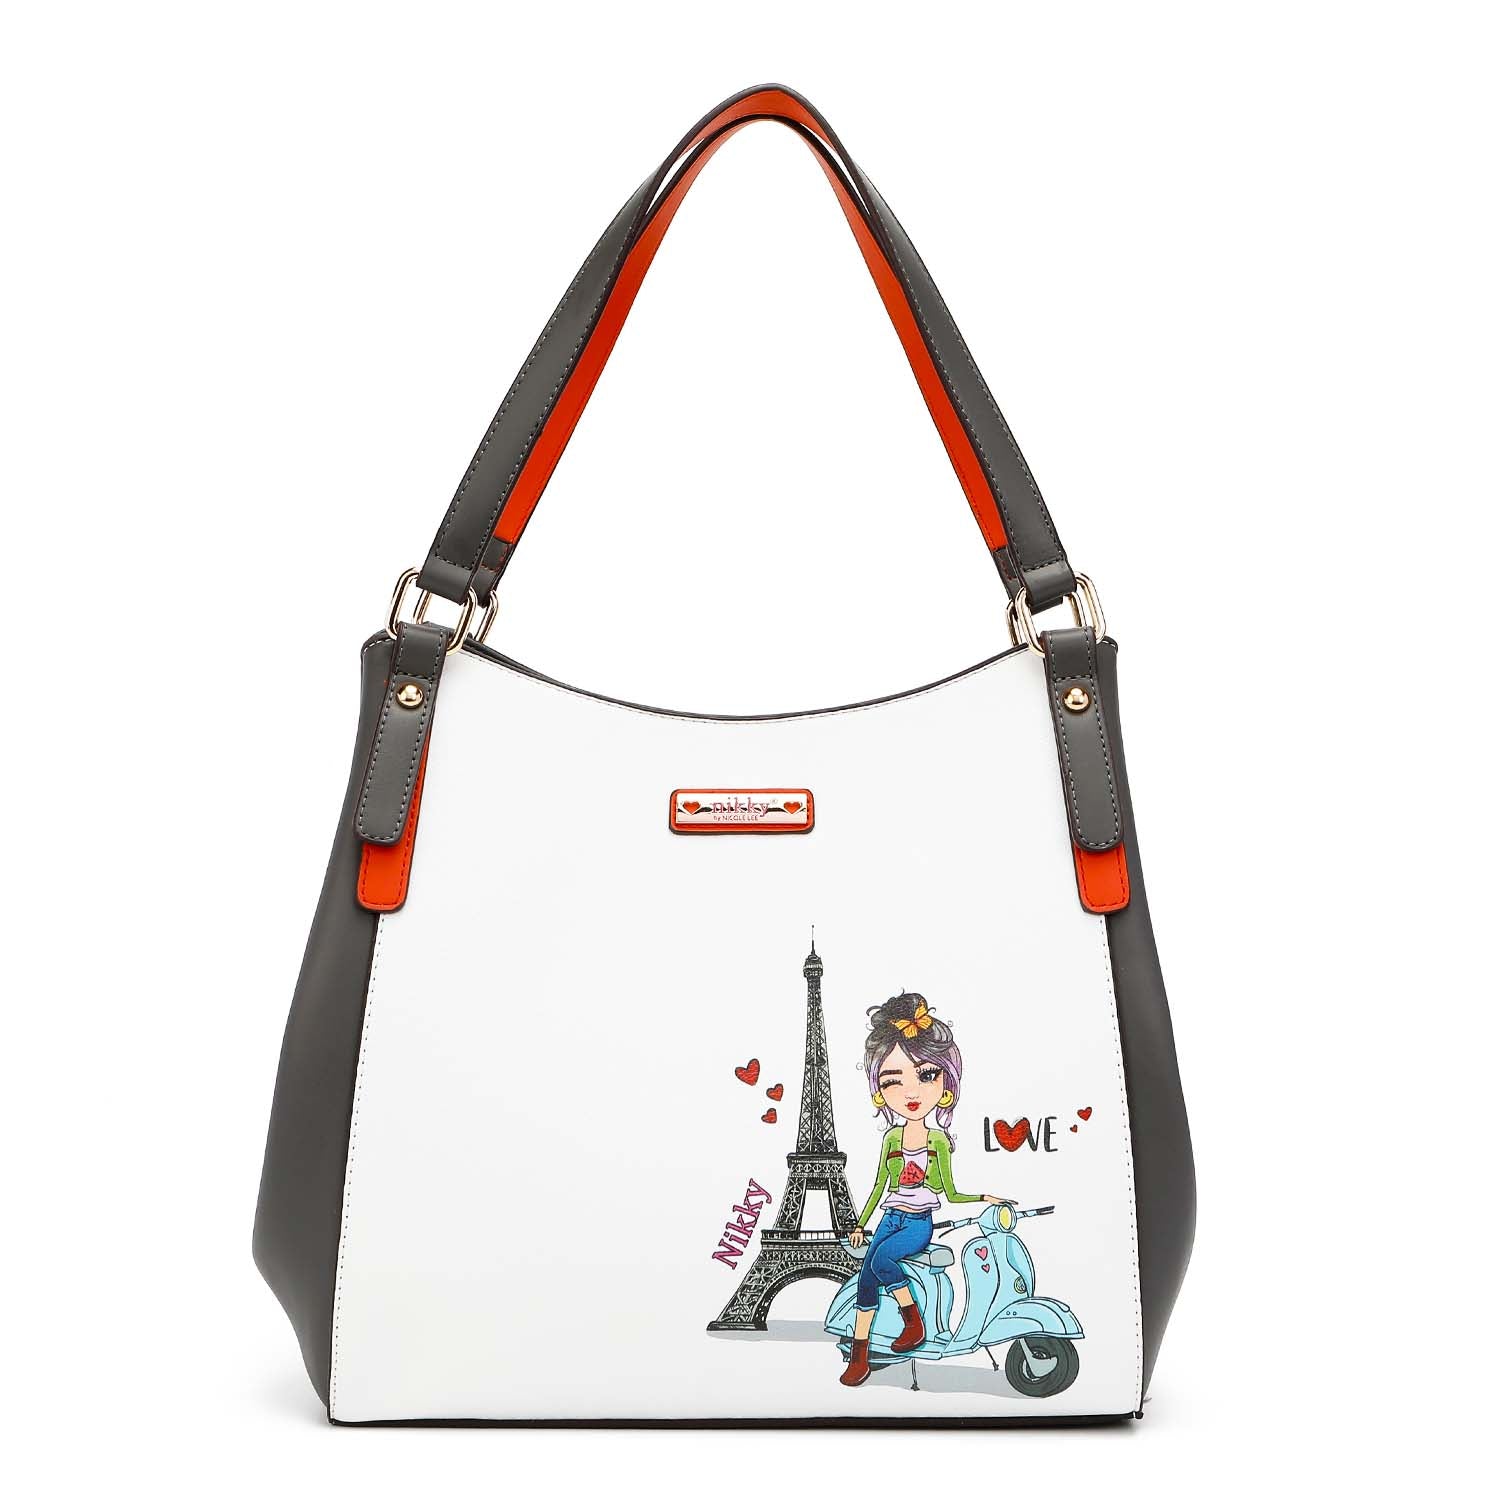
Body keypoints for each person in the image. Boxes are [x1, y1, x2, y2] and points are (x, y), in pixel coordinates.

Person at [839, 993, 1009, 1388]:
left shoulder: (938, 1142)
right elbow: (879, 1186)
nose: (910, 1092)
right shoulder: (891, 1139)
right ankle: (860, 1356)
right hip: (890, 1218)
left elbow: (950, 1192)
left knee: (882, 1262)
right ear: (880, 1091)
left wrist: (984, 1198)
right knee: (866, 1279)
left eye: (927, 1076)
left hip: (917, 1222)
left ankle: (912, 1321)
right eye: (893, 1081)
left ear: (945, 1086)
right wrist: (860, 1224)